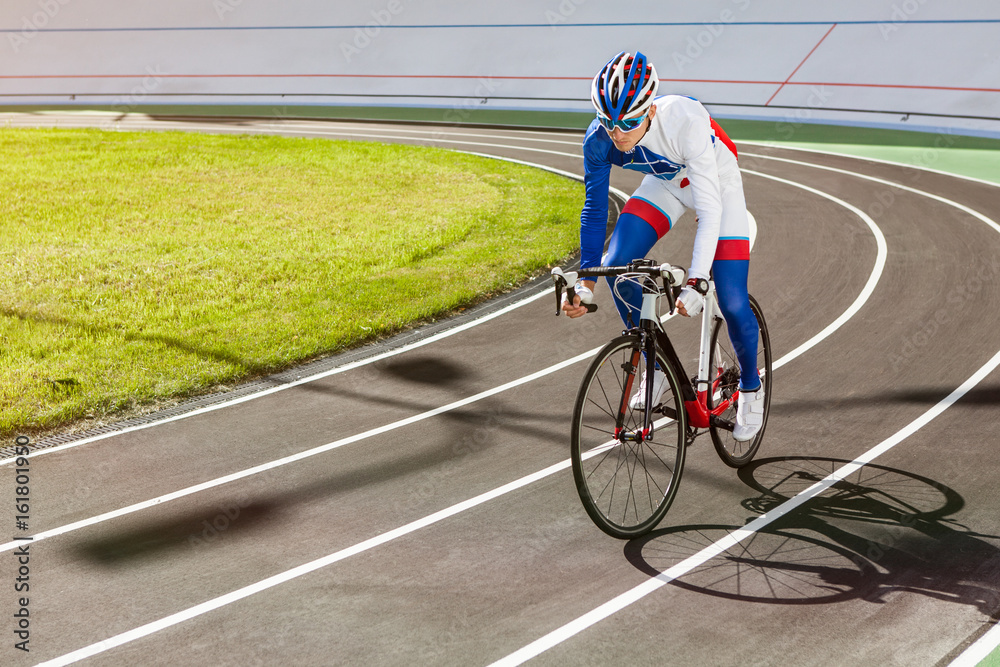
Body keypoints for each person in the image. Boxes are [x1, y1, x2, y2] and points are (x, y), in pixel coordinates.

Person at [561, 50, 764, 441]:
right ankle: (654, 371)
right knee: (617, 263)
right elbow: (594, 208)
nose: (617, 133)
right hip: (666, 184)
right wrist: (586, 284)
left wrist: (697, 281)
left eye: (629, 122)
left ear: (650, 112)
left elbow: (709, 210)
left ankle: (751, 388)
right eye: (608, 122)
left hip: (716, 187)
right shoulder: (599, 140)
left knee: (733, 299)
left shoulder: (685, 120)